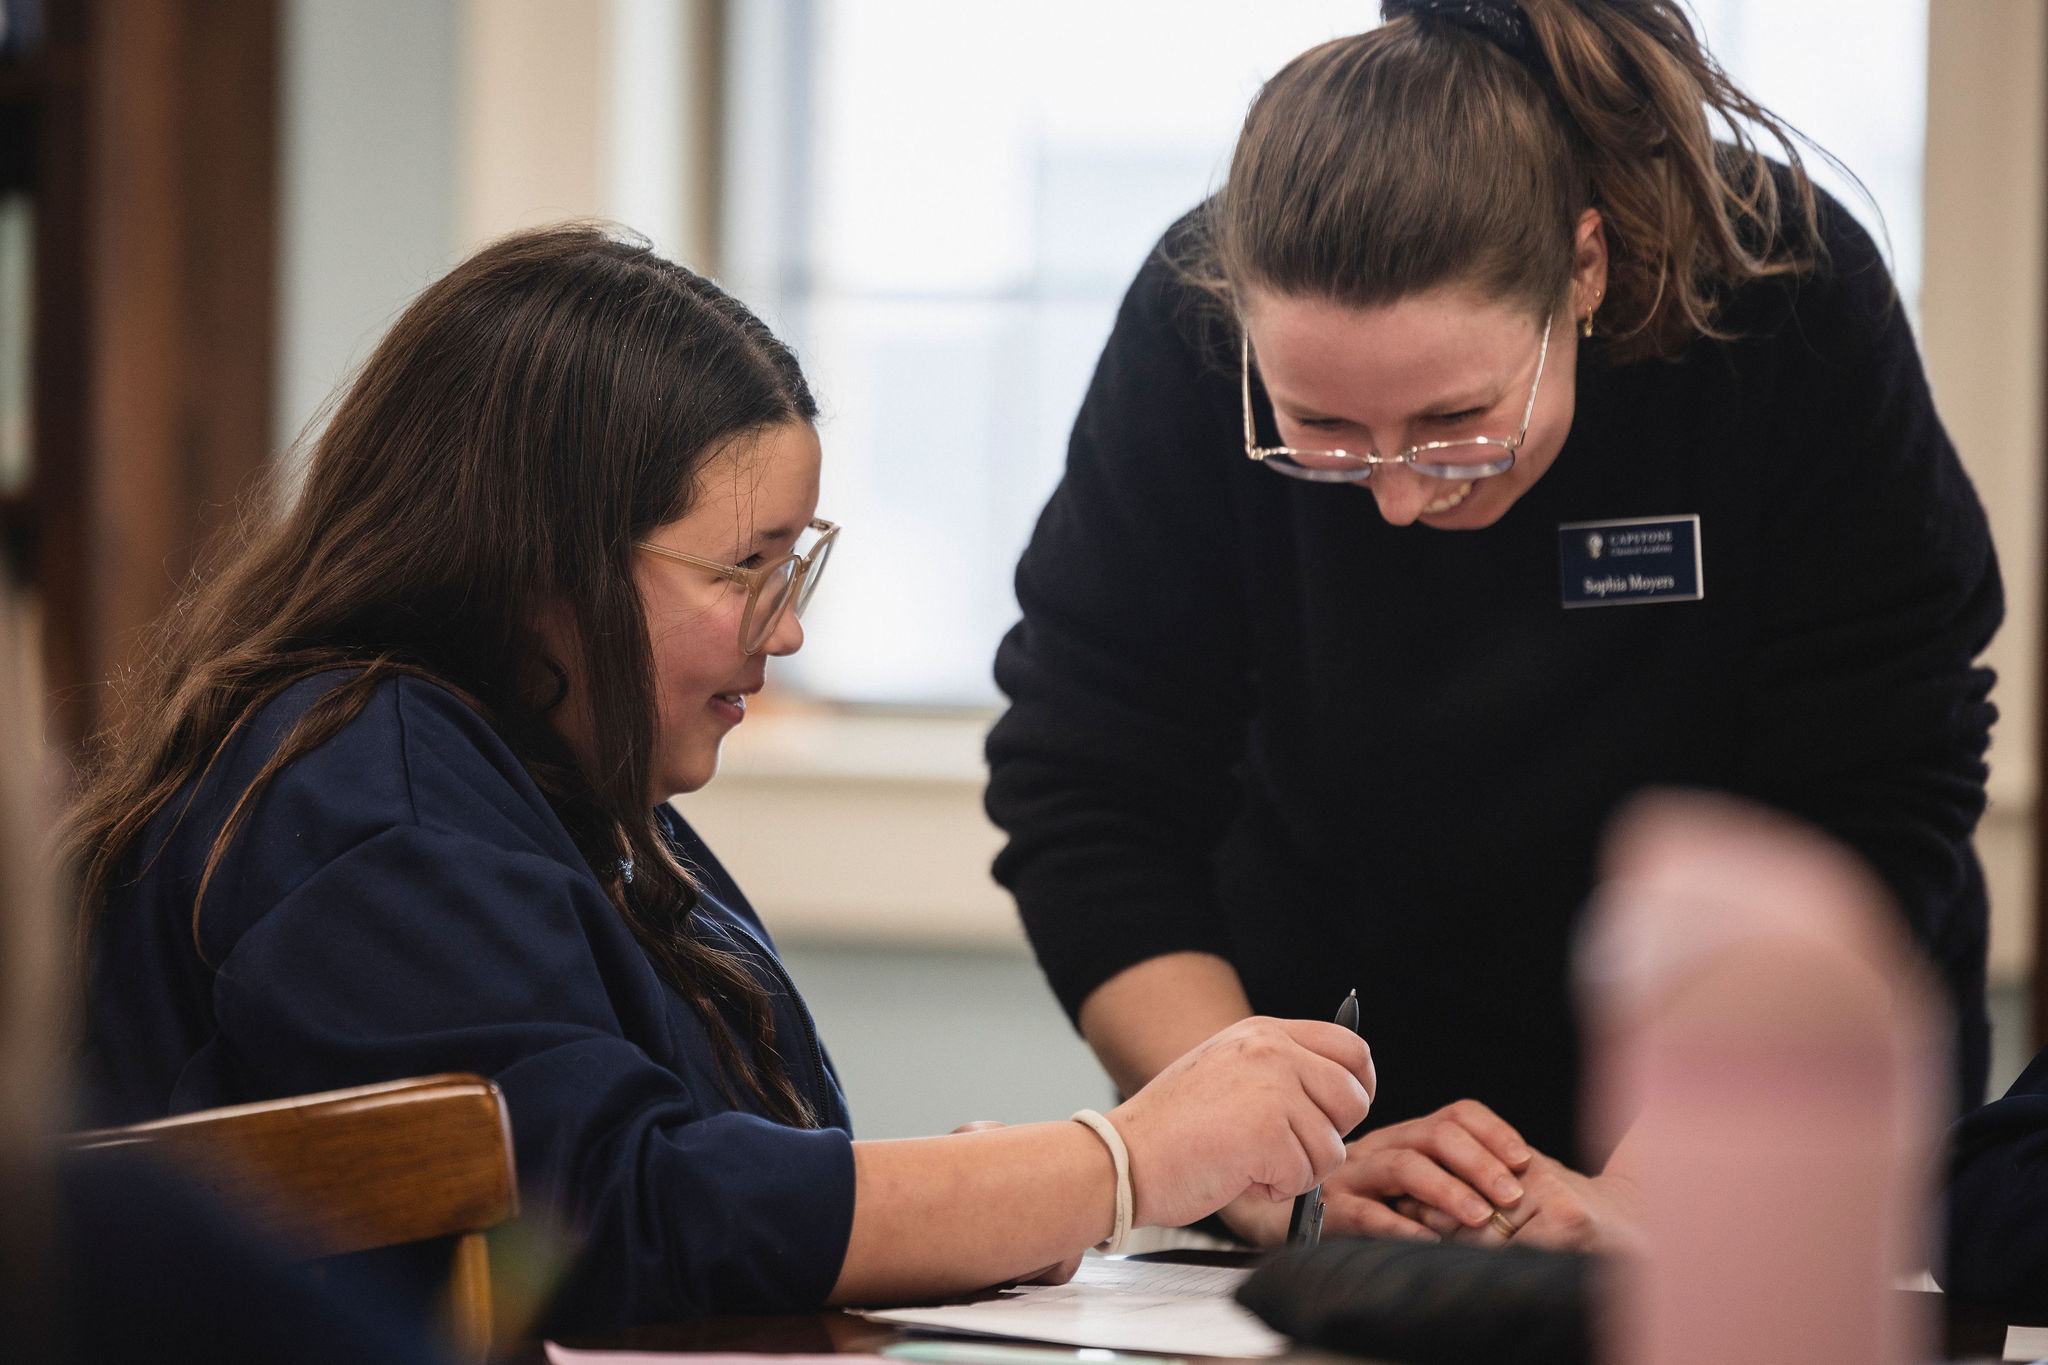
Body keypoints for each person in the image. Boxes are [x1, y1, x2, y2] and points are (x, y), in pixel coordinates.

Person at [71, 225, 1378, 1334]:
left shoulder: (545, 792)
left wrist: (1092, 1180)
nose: (789, 626)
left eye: (796, 566)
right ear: (547, 560)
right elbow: (615, 1217)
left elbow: (722, 1180)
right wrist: (1120, 1161)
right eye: (747, 567)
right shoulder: (367, 800)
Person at [986, 0, 2000, 1251]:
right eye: (1321, 433)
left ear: (1583, 273)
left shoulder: (1781, 297)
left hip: (1765, 1100)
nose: (1400, 496)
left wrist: (1649, 1195)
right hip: (1349, 1133)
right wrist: (1258, 1160)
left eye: (1457, 421)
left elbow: (1875, 802)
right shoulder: (1191, 326)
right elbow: (1087, 787)